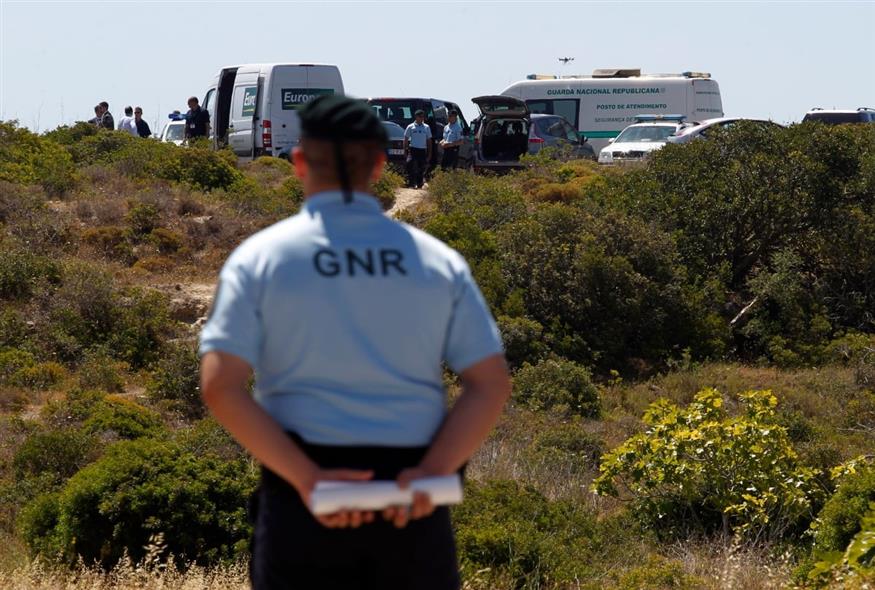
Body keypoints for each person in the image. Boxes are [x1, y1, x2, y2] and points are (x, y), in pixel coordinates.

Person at [199, 94, 511, 590]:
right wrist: (431, 473)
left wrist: (308, 479)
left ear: (299, 162)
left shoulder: (261, 259)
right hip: (411, 502)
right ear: (382, 163)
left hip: (303, 501)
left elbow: (220, 387)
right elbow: (490, 384)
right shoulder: (437, 262)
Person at [403, 109, 432, 188]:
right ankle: (411, 183)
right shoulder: (410, 126)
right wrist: (405, 150)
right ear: (416, 117)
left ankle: (419, 183)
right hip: (413, 149)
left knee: (421, 167)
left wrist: (429, 153)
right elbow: (405, 139)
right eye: (420, 116)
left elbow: (429, 141)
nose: (422, 118)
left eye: (423, 116)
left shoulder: (426, 127)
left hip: (422, 150)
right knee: (410, 164)